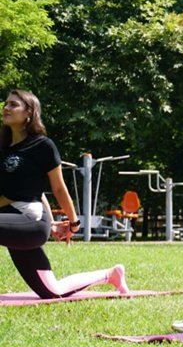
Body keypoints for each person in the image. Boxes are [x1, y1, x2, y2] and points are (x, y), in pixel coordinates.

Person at [0, 89, 128, 298]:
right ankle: (110, 275)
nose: (6, 108)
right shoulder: (4, 149)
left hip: (30, 221)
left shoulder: (42, 145)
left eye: (13, 104)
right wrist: (52, 223)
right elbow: (36, 190)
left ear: (29, 112)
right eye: (6, 104)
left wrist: (73, 223)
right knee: (53, 292)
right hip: (13, 223)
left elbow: (58, 188)